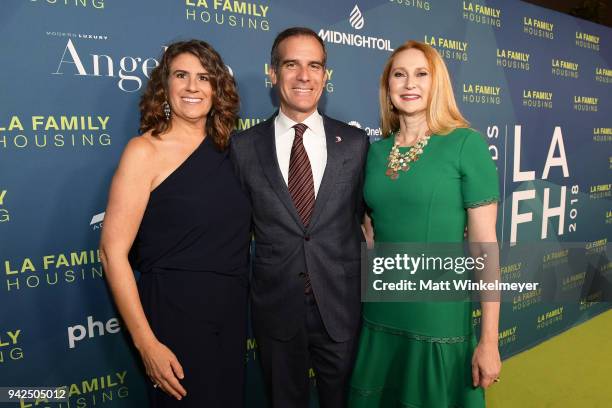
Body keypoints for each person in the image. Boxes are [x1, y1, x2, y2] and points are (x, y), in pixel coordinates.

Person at [348, 40, 502, 407]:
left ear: (437, 85)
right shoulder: (375, 152)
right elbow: (371, 235)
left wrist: (489, 340)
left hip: (438, 319)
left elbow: (484, 247)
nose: (409, 84)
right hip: (381, 315)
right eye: (398, 75)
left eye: (421, 74)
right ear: (388, 87)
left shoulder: (466, 144)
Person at [99, 40, 251, 407]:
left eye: (204, 78)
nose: (192, 87)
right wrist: (146, 343)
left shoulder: (234, 151)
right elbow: (111, 253)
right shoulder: (144, 151)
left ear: (218, 89)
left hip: (231, 313)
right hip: (174, 315)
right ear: (164, 87)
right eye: (181, 76)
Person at [230, 27, 369, 408]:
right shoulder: (243, 147)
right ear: (272, 73)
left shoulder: (355, 144)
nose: (304, 76)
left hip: (340, 305)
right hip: (276, 307)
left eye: (314, 66)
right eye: (291, 64)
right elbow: (237, 236)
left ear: (325, 75)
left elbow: (361, 220)